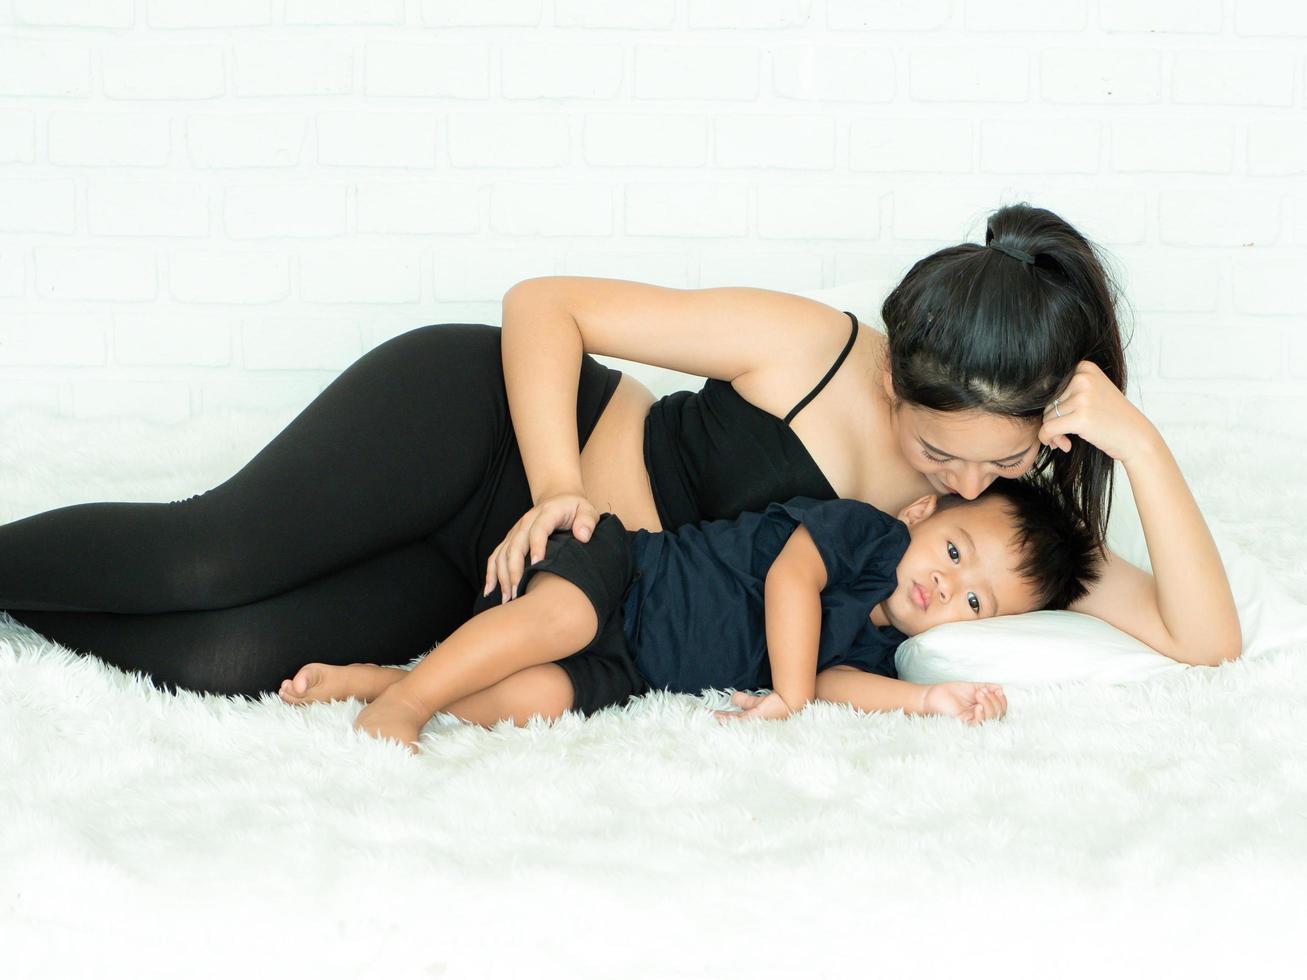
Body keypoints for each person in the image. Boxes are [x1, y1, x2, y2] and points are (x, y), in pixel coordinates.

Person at [0, 202, 1240, 728]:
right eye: (935, 450)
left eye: (998, 461)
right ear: (895, 377)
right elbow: (544, 303)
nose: (961, 488)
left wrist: (1129, 436)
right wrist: (554, 488)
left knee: (231, 661)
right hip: (486, 433)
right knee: (207, 556)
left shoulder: (999, 525)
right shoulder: (808, 345)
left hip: (534, 605)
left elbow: (1203, 639)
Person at [278, 478, 1102, 753]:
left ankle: (378, 682)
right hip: (623, 574)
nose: (943, 588)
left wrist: (930, 700)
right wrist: (787, 696)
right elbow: (789, 581)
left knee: (536, 700)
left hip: (636, 667)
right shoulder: (865, 535)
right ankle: (405, 706)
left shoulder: (886, 652)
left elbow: (837, 681)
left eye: (972, 602)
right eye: (954, 553)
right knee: (557, 624)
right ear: (924, 511)